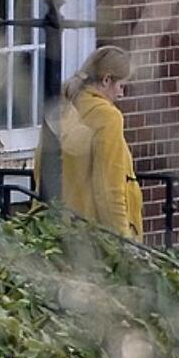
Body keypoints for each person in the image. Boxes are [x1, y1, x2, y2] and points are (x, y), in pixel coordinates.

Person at [37, 45, 143, 240]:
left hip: (55, 226)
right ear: (106, 80)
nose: (122, 94)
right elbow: (109, 186)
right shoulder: (108, 117)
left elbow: (41, 166)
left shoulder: (63, 106)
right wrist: (124, 240)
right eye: (121, 86)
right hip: (93, 235)